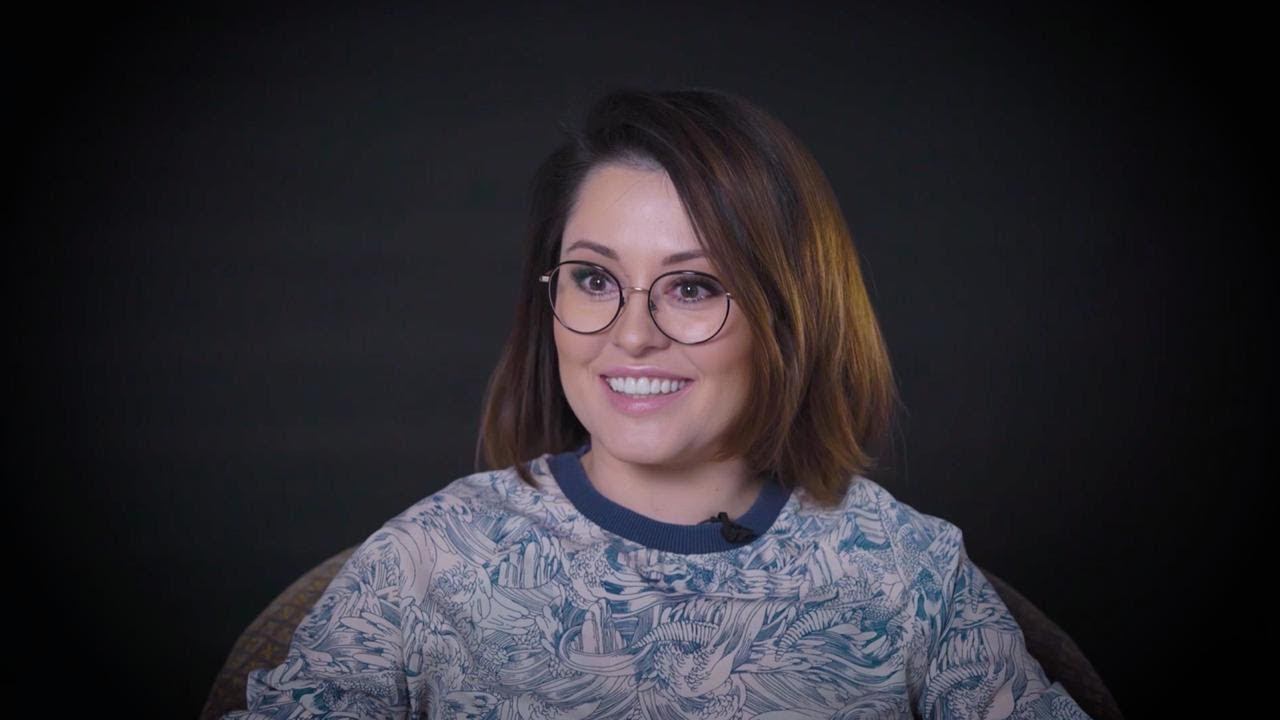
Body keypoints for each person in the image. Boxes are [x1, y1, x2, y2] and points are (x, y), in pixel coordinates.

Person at [225, 88, 1092, 719]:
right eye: (595, 279)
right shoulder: (428, 561)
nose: (632, 335)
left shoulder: (908, 575)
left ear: (790, 313)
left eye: (693, 286)